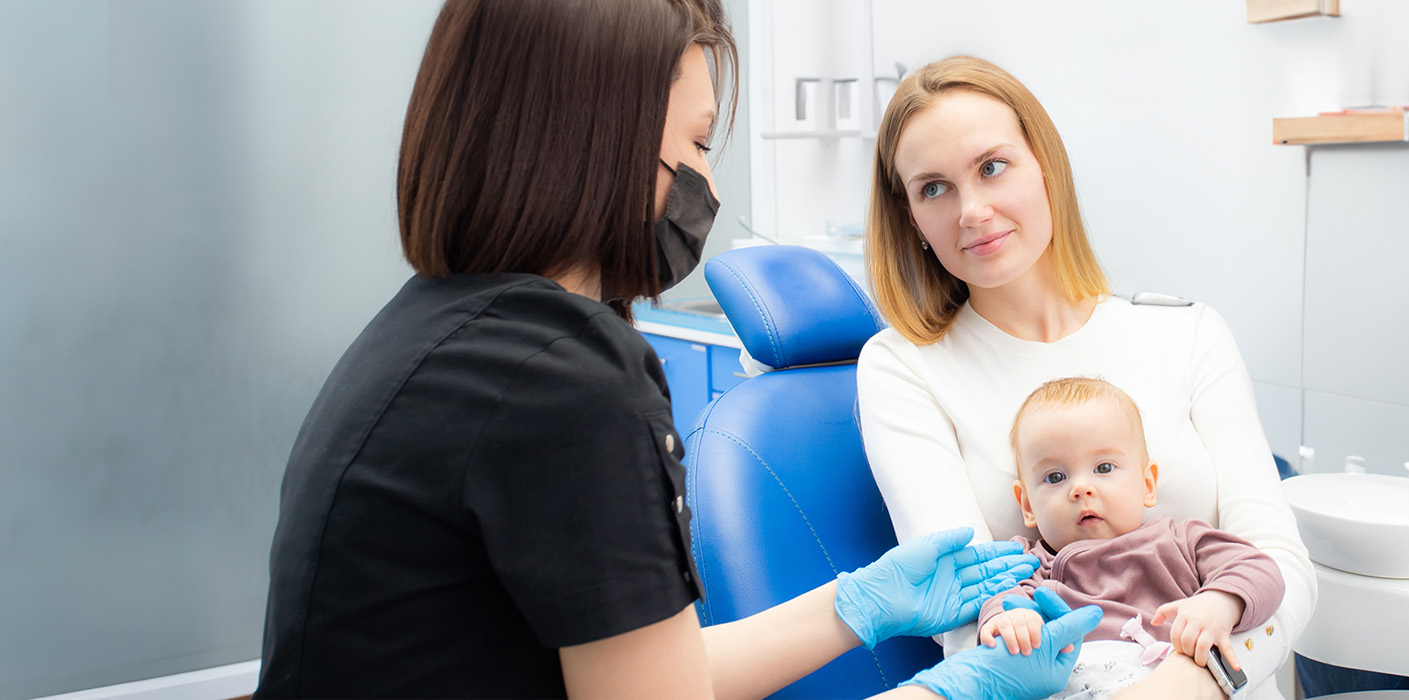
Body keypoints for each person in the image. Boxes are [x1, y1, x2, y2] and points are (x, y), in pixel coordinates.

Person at [256, 3, 1097, 698]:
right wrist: (951, 691)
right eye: (696, 146)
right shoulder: (559, 379)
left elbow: (657, 677)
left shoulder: (436, 337)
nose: (712, 188)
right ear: (594, 143)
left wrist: (858, 604)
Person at [857, 55, 1318, 698]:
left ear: (1044, 166)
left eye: (993, 167)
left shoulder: (1185, 332)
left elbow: (1283, 568)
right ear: (912, 218)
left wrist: (1182, 686)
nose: (972, 210)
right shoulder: (903, 367)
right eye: (934, 187)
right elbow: (967, 620)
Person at [979, 378, 1286, 699]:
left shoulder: (1180, 540)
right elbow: (996, 601)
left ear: (1147, 484)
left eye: (1104, 467)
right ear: (1028, 505)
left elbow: (1259, 569)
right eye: (1055, 477)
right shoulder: (1031, 565)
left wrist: (1220, 603)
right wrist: (1012, 620)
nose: (1081, 488)